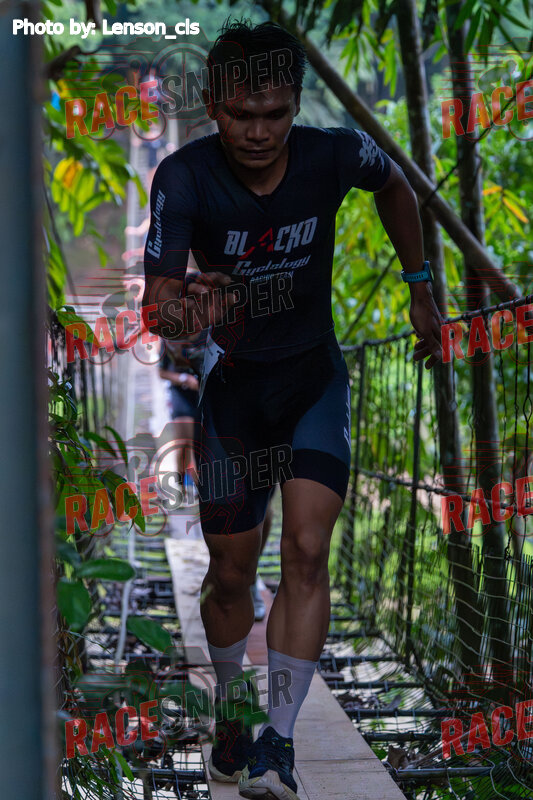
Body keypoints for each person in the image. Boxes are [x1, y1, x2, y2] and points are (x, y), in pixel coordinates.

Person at [142, 19, 444, 800]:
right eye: (240, 115)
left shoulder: (334, 154)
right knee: (229, 575)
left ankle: (276, 743)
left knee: (308, 551)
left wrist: (418, 287)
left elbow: (396, 186)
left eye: (274, 114)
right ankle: (233, 707)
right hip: (233, 393)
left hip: (313, 379)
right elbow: (157, 307)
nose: (257, 132)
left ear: (295, 105)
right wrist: (190, 307)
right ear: (214, 106)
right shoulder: (182, 177)